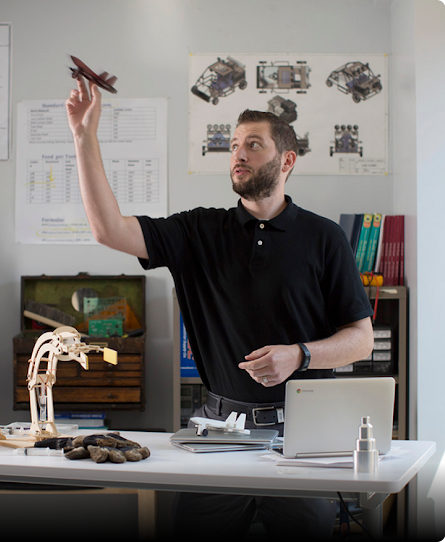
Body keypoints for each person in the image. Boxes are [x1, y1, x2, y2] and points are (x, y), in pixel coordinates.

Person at [66, 77, 374, 539]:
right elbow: (108, 229)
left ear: (287, 160)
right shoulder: (198, 231)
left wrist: (300, 355)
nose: (238, 155)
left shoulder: (325, 237)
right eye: (234, 145)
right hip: (217, 434)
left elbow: (362, 340)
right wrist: (83, 135)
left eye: (253, 144)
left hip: (303, 438)